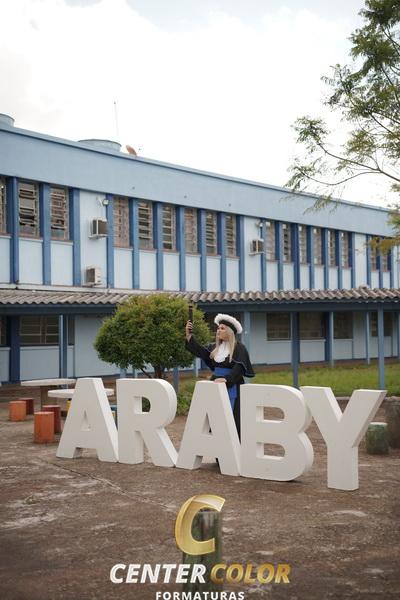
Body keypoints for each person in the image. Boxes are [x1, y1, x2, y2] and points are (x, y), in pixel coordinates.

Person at [185, 313, 255, 440]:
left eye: (222, 328)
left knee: (232, 417)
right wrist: (189, 336)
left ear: (229, 331)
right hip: (216, 384)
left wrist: (227, 379)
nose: (218, 330)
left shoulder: (239, 348)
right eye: (218, 328)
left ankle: (233, 447)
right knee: (215, 415)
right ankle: (218, 448)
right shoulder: (214, 347)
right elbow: (201, 352)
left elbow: (239, 367)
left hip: (232, 385)